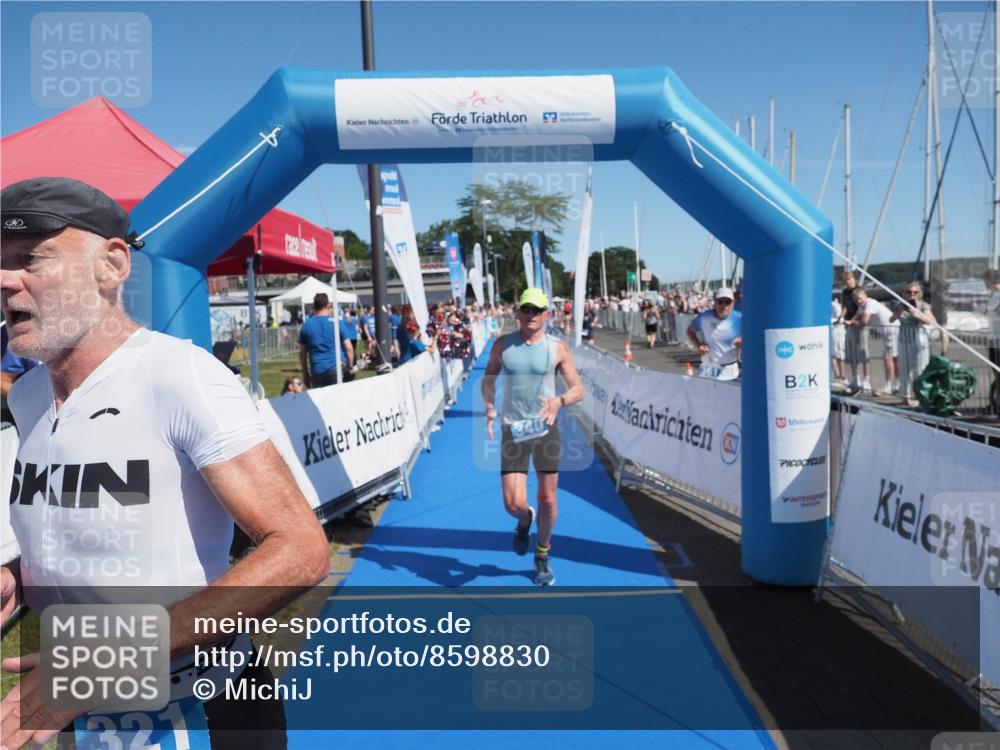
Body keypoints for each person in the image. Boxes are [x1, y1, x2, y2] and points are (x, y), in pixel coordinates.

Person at [0, 177, 329, 749]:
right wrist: (17, 579)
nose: (5, 280)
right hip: (86, 704)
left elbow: (300, 550)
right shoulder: (26, 398)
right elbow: (81, 530)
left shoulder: (180, 376)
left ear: (112, 265)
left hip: (202, 706)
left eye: (31, 259)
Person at [482, 289, 584, 587]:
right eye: (526, 309)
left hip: (545, 430)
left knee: (548, 499)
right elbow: (489, 379)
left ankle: (542, 554)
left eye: (537, 310)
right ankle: (525, 520)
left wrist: (559, 401)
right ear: (518, 312)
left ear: (546, 314)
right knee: (513, 504)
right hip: (513, 430)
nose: (531, 315)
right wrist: (489, 407)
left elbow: (578, 389)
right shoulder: (503, 345)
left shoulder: (557, 348)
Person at [890, 283, 935, 405]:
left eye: (915, 292)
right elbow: (891, 319)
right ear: (905, 293)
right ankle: (906, 395)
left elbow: (929, 321)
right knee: (905, 369)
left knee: (919, 369)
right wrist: (899, 312)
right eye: (909, 292)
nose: (912, 295)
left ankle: (921, 396)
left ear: (919, 294)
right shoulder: (900, 305)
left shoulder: (923, 306)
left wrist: (915, 314)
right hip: (904, 339)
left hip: (919, 341)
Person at [851, 288, 899, 396]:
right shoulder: (862, 306)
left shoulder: (870, 303)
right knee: (892, 357)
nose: (859, 302)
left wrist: (855, 323)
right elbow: (857, 316)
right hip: (886, 331)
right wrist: (852, 321)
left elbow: (864, 321)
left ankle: (890, 385)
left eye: (860, 299)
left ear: (865, 296)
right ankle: (896, 383)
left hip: (892, 329)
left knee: (888, 357)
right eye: (856, 300)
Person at [687, 287, 742, 380]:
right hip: (708, 367)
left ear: (733, 303)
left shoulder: (739, 318)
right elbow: (690, 331)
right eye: (720, 302)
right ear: (715, 301)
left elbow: (753, 338)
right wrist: (698, 345)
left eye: (728, 302)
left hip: (729, 368)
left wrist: (743, 342)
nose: (724, 306)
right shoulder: (704, 317)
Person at [299, 292, 353, 387]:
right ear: (328, 306)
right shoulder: (336, 322)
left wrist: (305, 373)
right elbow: (349, 348)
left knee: (320, 401)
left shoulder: (306, 325)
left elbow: (303, 353)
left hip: (317, 369)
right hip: (336, 367)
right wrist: (350, 366)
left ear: (314, 306)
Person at [841, 271, 869, 391]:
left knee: (863, 351)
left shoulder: (859, 290)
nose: (848, 282)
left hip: (859, 323)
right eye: (846, 280)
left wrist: (853, 321)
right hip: (850, 324)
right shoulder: (844, 292)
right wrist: (841, 318)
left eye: (850, 279)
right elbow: (845, 307)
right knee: (852, 352)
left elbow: (862, 308)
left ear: (854, 280)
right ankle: (855, 379)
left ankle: (867, 380)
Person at [985, 269, 1000, 414]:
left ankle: (995, 404)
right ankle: (994, 403)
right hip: (993, 339)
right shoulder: (992, 296)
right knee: (997, 373)